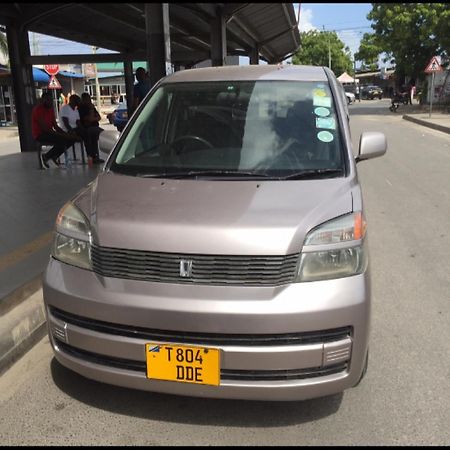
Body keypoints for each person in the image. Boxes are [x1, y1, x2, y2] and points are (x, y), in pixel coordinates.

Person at [32, 91, 79, 169]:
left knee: (71, 139)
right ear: (43, 100)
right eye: (47, 100)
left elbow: (55, 126)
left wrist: (66, 134)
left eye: (51, 100)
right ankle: (46, 157)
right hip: (40, 134)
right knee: (62, 140)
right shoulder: (38, 110)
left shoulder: (50, 110)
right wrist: (62, 135)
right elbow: (45, 129)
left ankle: (54, 156)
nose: (50, 102)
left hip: (49, 132)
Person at [78, 92, 104, 163]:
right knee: (94, 135)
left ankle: (95, 156)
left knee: (99, 136)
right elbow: (89, 119)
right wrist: (92, 111)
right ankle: (92, 156)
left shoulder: (91, 107)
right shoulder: (81, 108)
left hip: (94, 126)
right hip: (87, 128)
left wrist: (93, 118)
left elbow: (99, 117)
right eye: (87, 99)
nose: (89, 100)